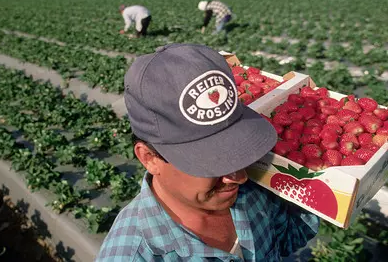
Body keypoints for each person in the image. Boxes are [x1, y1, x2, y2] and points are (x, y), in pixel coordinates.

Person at [96, 43, 319, 261]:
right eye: (212, 162)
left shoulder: (250, 193)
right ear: (149, 158)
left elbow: (285, 239)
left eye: (238, 149)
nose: (240, 177)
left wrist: (323, 191)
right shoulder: (134, 255)